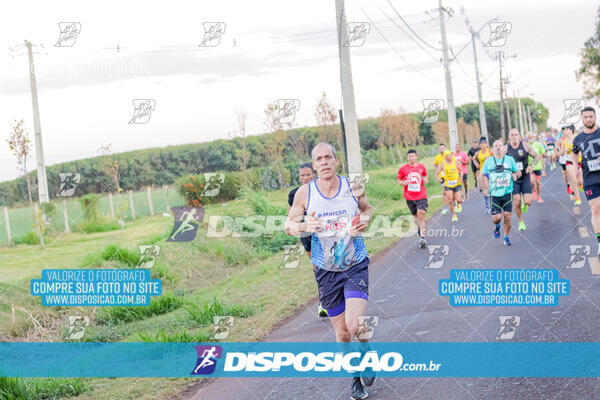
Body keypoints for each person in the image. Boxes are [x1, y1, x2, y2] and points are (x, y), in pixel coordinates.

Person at [285, 143, 375, 399]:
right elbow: (287, 226)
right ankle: (355, 378)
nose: (324, 162)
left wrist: (363, 222)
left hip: (354, 264)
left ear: (336, 161)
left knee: (354, 325)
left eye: (328, 157)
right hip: (326, 271)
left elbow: (367, 209)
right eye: (318, 159)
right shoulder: (305, 193)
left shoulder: (353, 186)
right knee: (342, 333)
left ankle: (367, 352)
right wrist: (304, 225)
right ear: (313, 165)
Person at [287, 163, 328, 318]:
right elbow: (290, 215)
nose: (305, 178)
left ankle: (338, 296)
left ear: (314, 174)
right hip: (306, 234)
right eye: (302, 175)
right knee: (317, 267)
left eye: (308, 175)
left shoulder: (322, 188)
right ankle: (323, 303)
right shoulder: (294, 194)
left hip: (325, 232)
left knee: (333, 263)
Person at [572, 106, 600, 257]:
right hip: (589, 177)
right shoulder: (578, 139)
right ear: (582, 119)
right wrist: (576, 167)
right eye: (586, 117)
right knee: (595, 208)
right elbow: (574, 152)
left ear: (595, 117)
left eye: (591, 116)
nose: (589, 119)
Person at [482, 140, 519, 246]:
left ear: (504, 148)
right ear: (493, 149)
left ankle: (506, 236)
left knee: (507, 217)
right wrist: (486, 189)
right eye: (496, 145)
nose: (498, 147)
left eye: (500, 145)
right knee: (497, 218)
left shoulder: (510, 160)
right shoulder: (488, 161)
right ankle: (497, 226)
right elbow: (485, 175)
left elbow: (517, 172)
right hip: (494, 194)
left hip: (507, 193)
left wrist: (515, 175)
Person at [506, 128, 540, 231]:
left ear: (519, 136)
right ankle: (521, 222)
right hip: (514, 179)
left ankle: (525, 204)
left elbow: (537, 156)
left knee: (529, 202)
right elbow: (499, 161)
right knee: (516, 202)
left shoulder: (525, 145)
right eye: (512, 135)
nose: (514, 137)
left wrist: (531, 166)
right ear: (509, 137)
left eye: (516, 134)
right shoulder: (505, 149)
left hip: (525, 177)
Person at [397, 149, 428, 248]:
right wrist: (403, 183)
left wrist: (426, 179)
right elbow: (398, 180)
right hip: (409, 197)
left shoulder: (421, 167)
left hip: (421, 195)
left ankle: (422, 238)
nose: (411, 158)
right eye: (409, 156)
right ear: (407, 157)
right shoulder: (403, 169)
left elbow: (425, 175)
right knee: (415, 216)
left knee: (421, 214)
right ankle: (419, 228)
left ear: (416, 156)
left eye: (413, 156)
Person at [437, 150, 463, 222]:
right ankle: (454, 215)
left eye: (451, 154)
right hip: (448, 185)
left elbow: (461, 170)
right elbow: (436, 173)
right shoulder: (442, 165)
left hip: (457, 184)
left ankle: (458, 204)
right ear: (445, 157)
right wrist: (438, 179)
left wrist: (461, 177)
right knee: (451, 201)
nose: (451, 156)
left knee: (459, 199)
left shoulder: (456, 162)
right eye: (449, 155)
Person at [560, 125, 583, 205]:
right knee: (573, 180)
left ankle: (580, 184)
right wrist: (565, 151)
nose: (565, 131)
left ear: (571, 131)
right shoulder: (563, 141)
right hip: (569, 162)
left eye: (566, 130)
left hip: (578, 162)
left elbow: (582, 150)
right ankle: (578, 198)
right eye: (565, 130)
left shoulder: (577, 139)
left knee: (580, 181)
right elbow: (561, 154)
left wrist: (579, 153)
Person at [473, 137, 492, 214]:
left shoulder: (490, 151)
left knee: (492, 188)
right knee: (485, 190)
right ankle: (487, 207)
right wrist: (476, 163)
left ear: (486, 144)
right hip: (483, 172)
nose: (483, 145)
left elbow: (496, 157)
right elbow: (474, 158)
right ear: (480, 145)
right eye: (482, 144)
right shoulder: (478, 153)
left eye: (484, 144)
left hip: (491, 171)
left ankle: (494, 204)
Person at [527, 132, 546, 203]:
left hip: (538, 166)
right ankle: (533, 190)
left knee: (538, 182)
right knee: (531, 181)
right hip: (530, 166)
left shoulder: (538, 144)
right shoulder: (526, 145)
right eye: (529, 137)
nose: (530, 138)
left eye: (531, 137)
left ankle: (539, 196)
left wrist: (542, 155)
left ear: (534, 137)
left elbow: (543, 153)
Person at [434, 143, 449, 215]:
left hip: (450, 176)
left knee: (451, 191)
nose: (441, 150)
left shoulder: (449, 155)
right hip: (442, 177)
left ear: (445, 148)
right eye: (440, 148)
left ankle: (455, 203)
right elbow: (435, 165)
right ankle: (445, 207)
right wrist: (437, 171)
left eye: (442, 148)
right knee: (444, 192)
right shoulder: (437, 157)